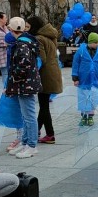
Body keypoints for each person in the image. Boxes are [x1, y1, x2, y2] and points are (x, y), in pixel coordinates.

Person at [4, 17, 42, 159]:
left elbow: (23, 64)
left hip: (25, 84)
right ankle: (26, 142)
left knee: (29, 116)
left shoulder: (22, 44)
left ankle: (31, 145)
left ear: (11, 30)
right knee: (26, 116)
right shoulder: (26, 42)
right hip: (26, 83)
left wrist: (14, 78)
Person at [27, 16, 62, 144]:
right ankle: (42, 131)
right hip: (53, 72)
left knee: (44, 105)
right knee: (44, 104)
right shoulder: (50, 35)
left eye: (28, 26)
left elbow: (41, 59)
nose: (27, 29)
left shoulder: (39, 39)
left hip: (45, 75)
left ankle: (49, 133)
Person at [72, 32, 98, 126]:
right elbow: (75, 64)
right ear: (90, 42)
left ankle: (90, 116)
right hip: (83, 79)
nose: (97, 44)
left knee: (93, 98)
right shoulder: (81, 51)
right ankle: (83, 116)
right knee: (83, 98)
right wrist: (75, 78)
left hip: (95, 80)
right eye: (96, 42)